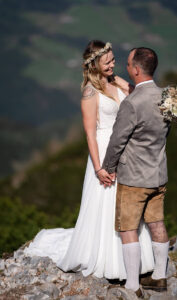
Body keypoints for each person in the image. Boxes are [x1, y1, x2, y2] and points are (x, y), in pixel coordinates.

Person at [24, 41, 154, 282]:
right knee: (107, 203)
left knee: (128, 202)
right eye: (108, 62)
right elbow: (90, 134)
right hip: (104, 151)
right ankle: (109, 258)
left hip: (124, 149)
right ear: (94, 65)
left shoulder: (116, 81)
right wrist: (98, 167)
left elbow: (137, 93)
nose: (114, 64)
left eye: (114, 59)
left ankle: (136, 257)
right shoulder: (89, 92)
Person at [102, 47, 170, 296]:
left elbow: (117, 140)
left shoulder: (132, 103)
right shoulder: (166, 97)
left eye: (129, 64)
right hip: (158, 174)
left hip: (134, 178)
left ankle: (132, 285)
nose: (127, 67)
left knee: (128, 227)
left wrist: (107, 168)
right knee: (157, 223)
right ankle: (160, 277)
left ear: (136, 70)